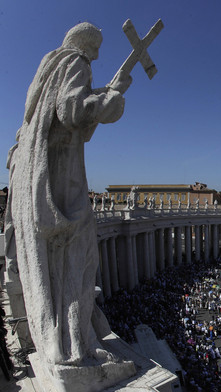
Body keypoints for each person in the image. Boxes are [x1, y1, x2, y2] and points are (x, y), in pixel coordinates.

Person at [4, 22, 131, 366]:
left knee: (62, 263)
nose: (99, 54)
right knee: (79, 259)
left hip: (43, 182)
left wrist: (107, 91)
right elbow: (73, 111)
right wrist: (112, 100)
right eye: (98, 47)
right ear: (85, 44)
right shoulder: (75, 62)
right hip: (63, 186)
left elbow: (67, 118)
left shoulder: (48, 71)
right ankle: (75, 344)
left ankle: (63, 341)